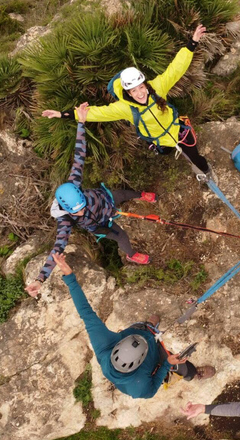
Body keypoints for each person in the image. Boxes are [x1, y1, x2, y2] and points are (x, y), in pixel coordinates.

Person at [41, 25, 214, 181]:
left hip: (177, 131)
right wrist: (62, 114)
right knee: (165, 152)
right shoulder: (125, 108)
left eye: (141, 87)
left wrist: (192, 43)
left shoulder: (158, 87)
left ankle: (206, 172)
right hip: (159, 140)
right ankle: (172, 151)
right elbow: (98, 113)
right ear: (128, 92)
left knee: (195, 157)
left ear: (145, 84)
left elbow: (176, 68)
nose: (139, 93)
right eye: (134, 91)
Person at [26, 103, 154, 298]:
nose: (81, 211)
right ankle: (131, 255)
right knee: (121, 237)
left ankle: (142, 195)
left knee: (124, 194)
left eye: (82, 205)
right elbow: (57, 249)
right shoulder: (65, 221)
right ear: (67, 210)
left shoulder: (73, 184)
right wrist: (39, 279)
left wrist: (81, 123)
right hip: (101, 224)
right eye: (77, 211)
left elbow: (79, 154)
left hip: (106, 200)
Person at [52, 252, 215, 399]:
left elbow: (85, 312)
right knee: (186, 370)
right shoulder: (141, 387)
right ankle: (194, 374)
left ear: (118, 345)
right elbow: (153, 387)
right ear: (141, 360)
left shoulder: (103, 345)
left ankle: (150, 326)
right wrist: (167, 364)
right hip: (155, 357)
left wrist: (68, 275)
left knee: (148, 325)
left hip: (141, 332)